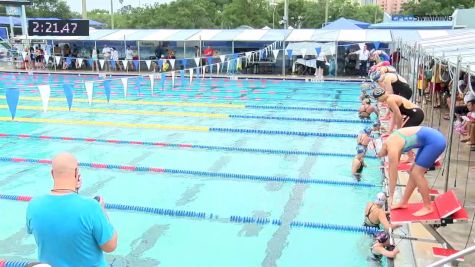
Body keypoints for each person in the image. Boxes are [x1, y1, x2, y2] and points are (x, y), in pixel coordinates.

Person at [26, 153, 117, 266]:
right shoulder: (92, 207)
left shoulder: (33, 206)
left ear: (52, 174)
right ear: (76, 173)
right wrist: (102, 211)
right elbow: (110, 246)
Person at [377, 126, 446, 216]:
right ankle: (404, 202)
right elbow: (393, 169)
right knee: (413, 171)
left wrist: (391, 197)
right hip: (429, 140)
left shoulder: (392, 148)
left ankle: (428, 207)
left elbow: (393, 174)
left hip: (435, 142)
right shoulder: (391, 141)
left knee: (417, 173)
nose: (383, 156)